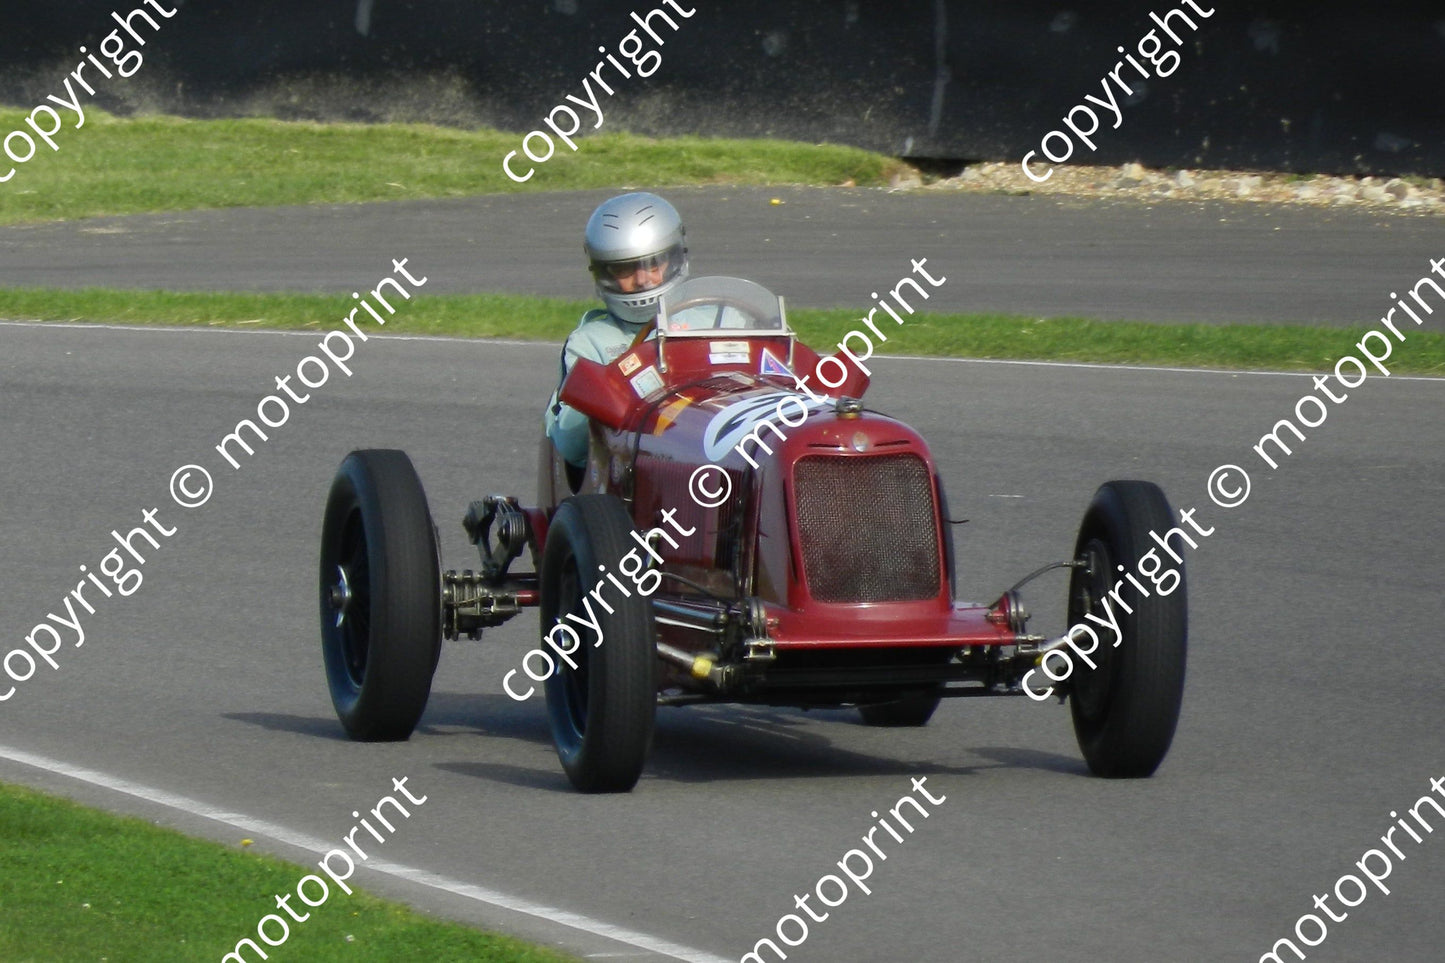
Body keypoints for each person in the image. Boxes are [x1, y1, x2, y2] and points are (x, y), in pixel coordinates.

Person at [544, 192, 689, 466]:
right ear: (605, 273)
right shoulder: (590, 342)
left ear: (674, 259)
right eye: (625, 270)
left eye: (654, 264)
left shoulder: (724, 317)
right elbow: (571, 447)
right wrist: (608, 387)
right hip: (631, 475)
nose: (643, 280)